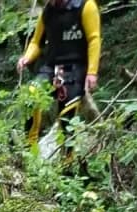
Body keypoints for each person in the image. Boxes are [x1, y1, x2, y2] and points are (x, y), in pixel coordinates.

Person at [18, 0, 101, 148]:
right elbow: (36, 42)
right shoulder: (48, 11)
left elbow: (94, 39)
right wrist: (27, 58)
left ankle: (67, 162)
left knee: (67, 113)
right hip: (51, 67)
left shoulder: (85, 6)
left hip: (76, 67)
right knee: (32, 95)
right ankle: (29, 149)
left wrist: (92, 72)